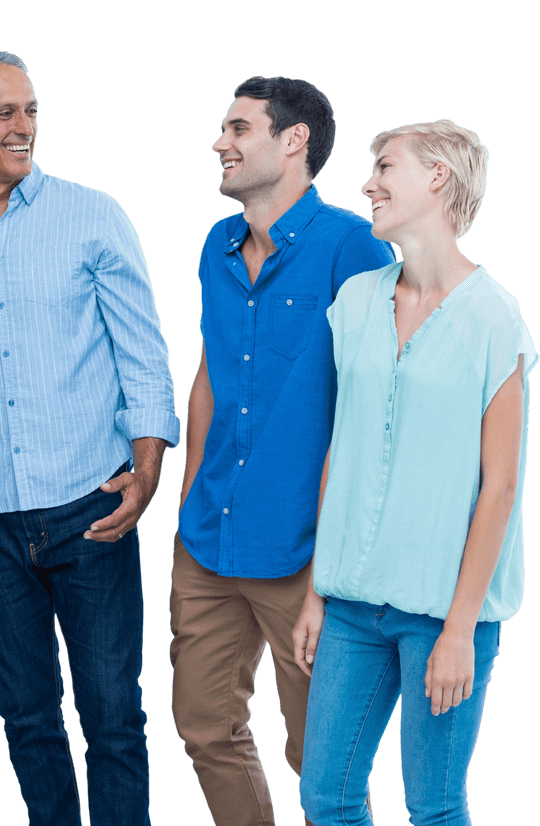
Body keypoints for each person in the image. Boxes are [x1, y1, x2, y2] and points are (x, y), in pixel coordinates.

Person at [0, 50, 180, 826]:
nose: (25, 127)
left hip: (94, 504)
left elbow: (143, 352)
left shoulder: (94, 215)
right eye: (3, 113)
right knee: (26, 718)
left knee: (114, 716)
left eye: (31, 110)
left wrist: (146, 469)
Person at [293, 120, 532, 826]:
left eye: (384, 166)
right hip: (352, 605)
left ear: (437, 178)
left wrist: (461, 629)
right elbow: (343, 444)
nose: (368, 184)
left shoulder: (495, 318)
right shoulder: (356, 303)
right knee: (325, 795)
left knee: (432, 806)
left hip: (444, 612)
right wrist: (316, 591)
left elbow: (503, 484)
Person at [171, 76, 395, 825]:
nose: (219, 144)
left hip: (305, 548)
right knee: (205, 726)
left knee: (320, 755)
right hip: (208, 539)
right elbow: (209, 372)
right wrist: (189, 487)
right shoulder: (217, 243)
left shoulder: (354, 247)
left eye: (238, 129)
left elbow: (377, 406)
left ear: (291, 141)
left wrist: (343, 556)